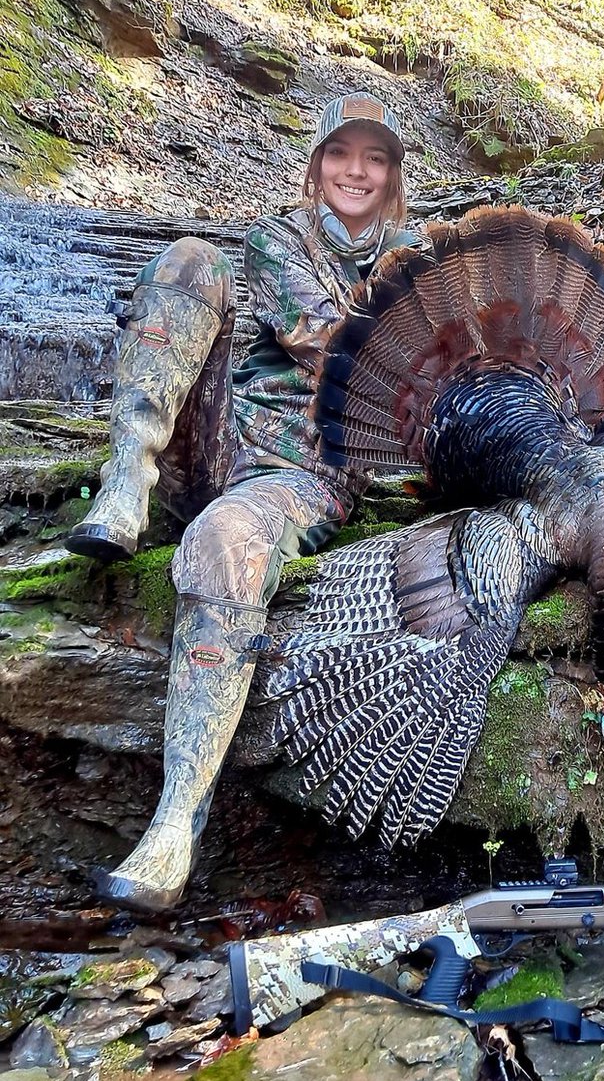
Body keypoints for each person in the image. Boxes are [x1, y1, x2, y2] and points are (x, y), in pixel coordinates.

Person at [67, 92, 422, 912]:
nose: (355, 172)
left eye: (374, 158)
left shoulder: (421, 256)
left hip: (300, 479)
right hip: (209, 445)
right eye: (341, 154)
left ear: (394, 174)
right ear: (317, 164)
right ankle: (130, 478)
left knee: (226, 539)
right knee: (191, 258)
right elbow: (320, 334)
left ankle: (173, 823)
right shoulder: (278, 238)